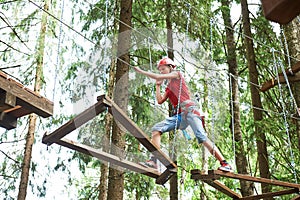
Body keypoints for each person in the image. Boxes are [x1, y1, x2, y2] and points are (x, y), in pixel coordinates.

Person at [134, 57, 232, 172]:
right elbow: (160, 101)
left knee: (201, 136)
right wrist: (158, 86)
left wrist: (141, 71)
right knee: (157, 128)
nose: (161, 72)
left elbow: (158, 77)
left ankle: (225, 163)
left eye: (163, 69)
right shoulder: (169, 88)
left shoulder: (177, 75)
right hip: (180, 116)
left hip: (191, 111)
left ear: (170, 67)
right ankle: (153, 161)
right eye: (160, 70)